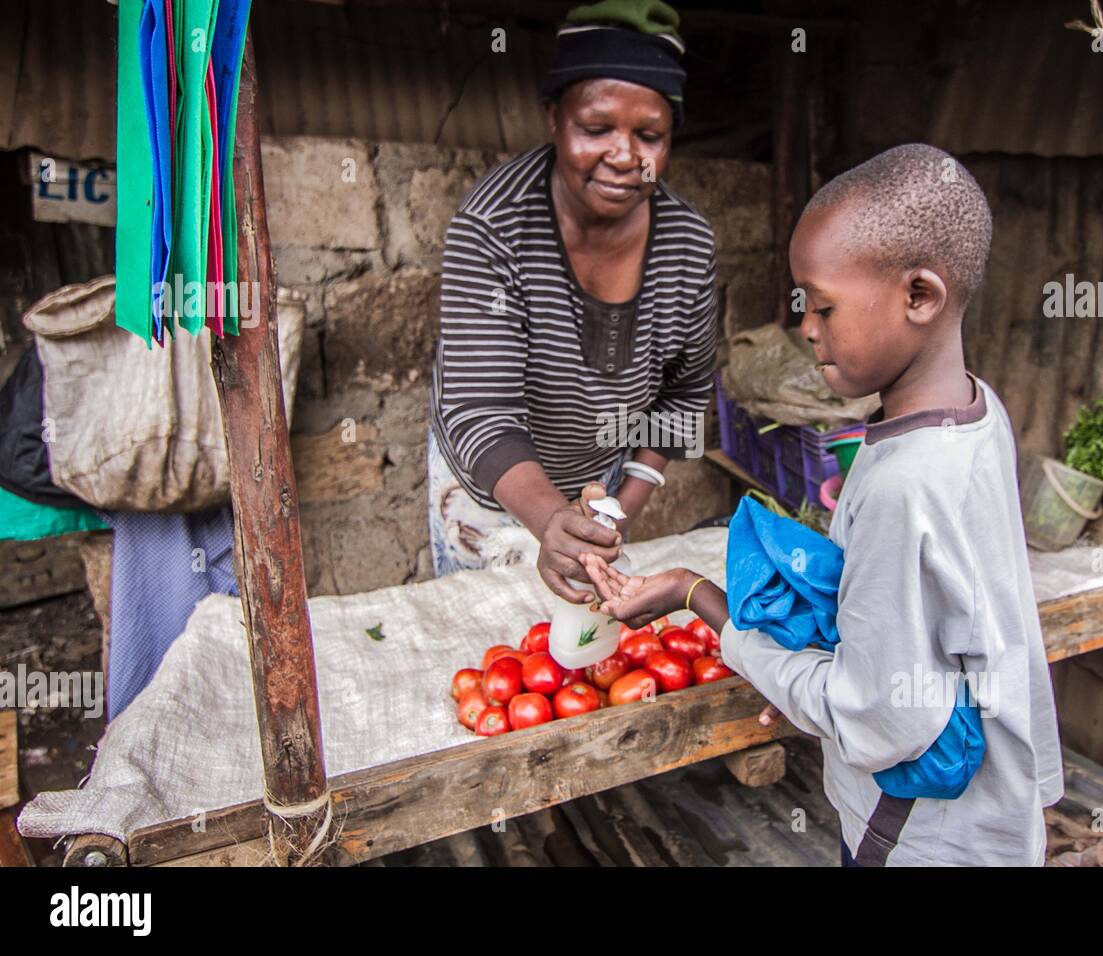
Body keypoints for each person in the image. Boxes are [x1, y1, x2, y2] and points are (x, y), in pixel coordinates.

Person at [581, 144, 1064, 866]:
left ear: (920, 296)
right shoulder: (976, 408)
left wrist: (695, 594)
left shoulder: (906, 485)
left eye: (823, 305)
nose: (805, 327)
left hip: (917, 839)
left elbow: (872, 718)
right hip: (987, 813)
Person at [427, 0, 717, 604]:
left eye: (649, 136)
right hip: (495, 489)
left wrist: (616, 512)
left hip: (597, 480)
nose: (623, 155)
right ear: (555, 117)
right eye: (595, 128)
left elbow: (683, 395)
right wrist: (548, 521)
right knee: (491, 647)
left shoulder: (688, 244)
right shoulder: (494, 226)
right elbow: (481, 410)